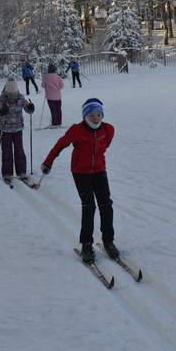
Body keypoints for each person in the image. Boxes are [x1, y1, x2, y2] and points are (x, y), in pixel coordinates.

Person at [40, 98, 119, 263]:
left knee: (106, 204)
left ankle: (108, 240)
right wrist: (48, 162)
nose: (95, 119)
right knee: (89, 206)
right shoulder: (77, 130)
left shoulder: (108, 129)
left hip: (99, 170)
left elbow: (105, 145)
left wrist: (98, 159)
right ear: (85, 116)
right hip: (80, 172)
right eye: (91, 115)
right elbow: (60, 145)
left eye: (98, 115)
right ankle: (86, 244)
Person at [0, 77, 35, 185]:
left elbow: (26, 107)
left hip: (18, 129)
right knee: (7, 151)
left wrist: (30, 107)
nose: (13, 98)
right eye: (11, 96)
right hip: (5, 129)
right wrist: (1, 112)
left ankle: (22, 171)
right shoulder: (1, 99)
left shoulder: (20, 97)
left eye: (14, 95)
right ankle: (7, 172)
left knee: (19, 150)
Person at [41, 63, 65, 129]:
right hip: (58, 96)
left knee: (53, 110)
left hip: (50, 97)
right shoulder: (58, 77)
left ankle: (55, 123)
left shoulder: (45, 77)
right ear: (55, 70)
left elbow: (43, 85)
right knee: (58, 109)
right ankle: (59, 122)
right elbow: (62, 86)